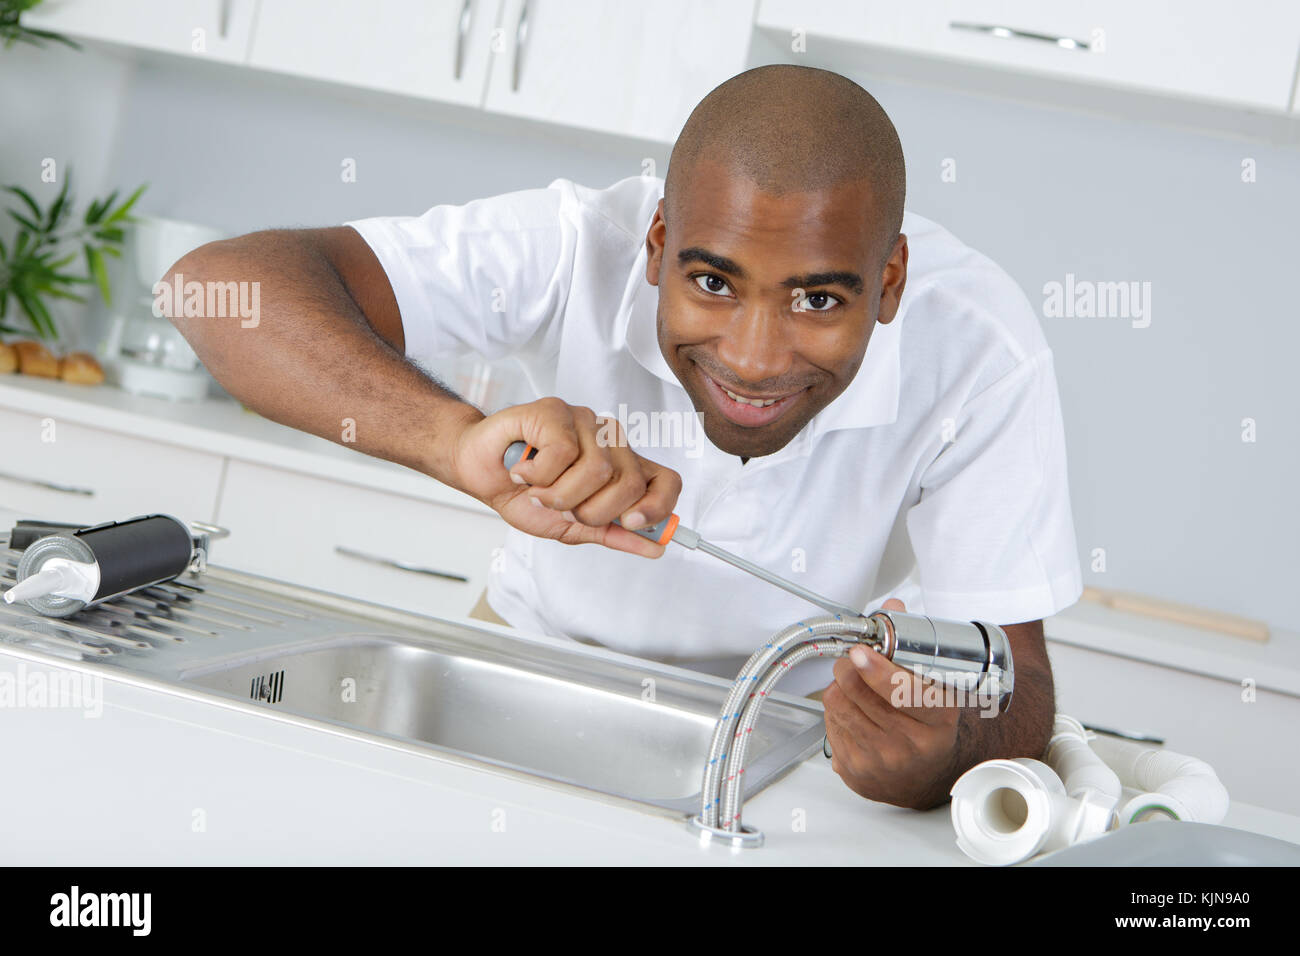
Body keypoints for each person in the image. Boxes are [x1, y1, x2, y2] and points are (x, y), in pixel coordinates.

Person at [166, 65, 1082, 811]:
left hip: (800, 742)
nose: (755, 359)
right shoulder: (574, 243)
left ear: (890, 282)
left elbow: (1019, 685)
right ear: (654, 245)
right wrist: (458, 440)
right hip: (523, 664)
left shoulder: (981, 349)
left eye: (817, 299)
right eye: (713, 283)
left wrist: (939, 753)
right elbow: (214, 289)